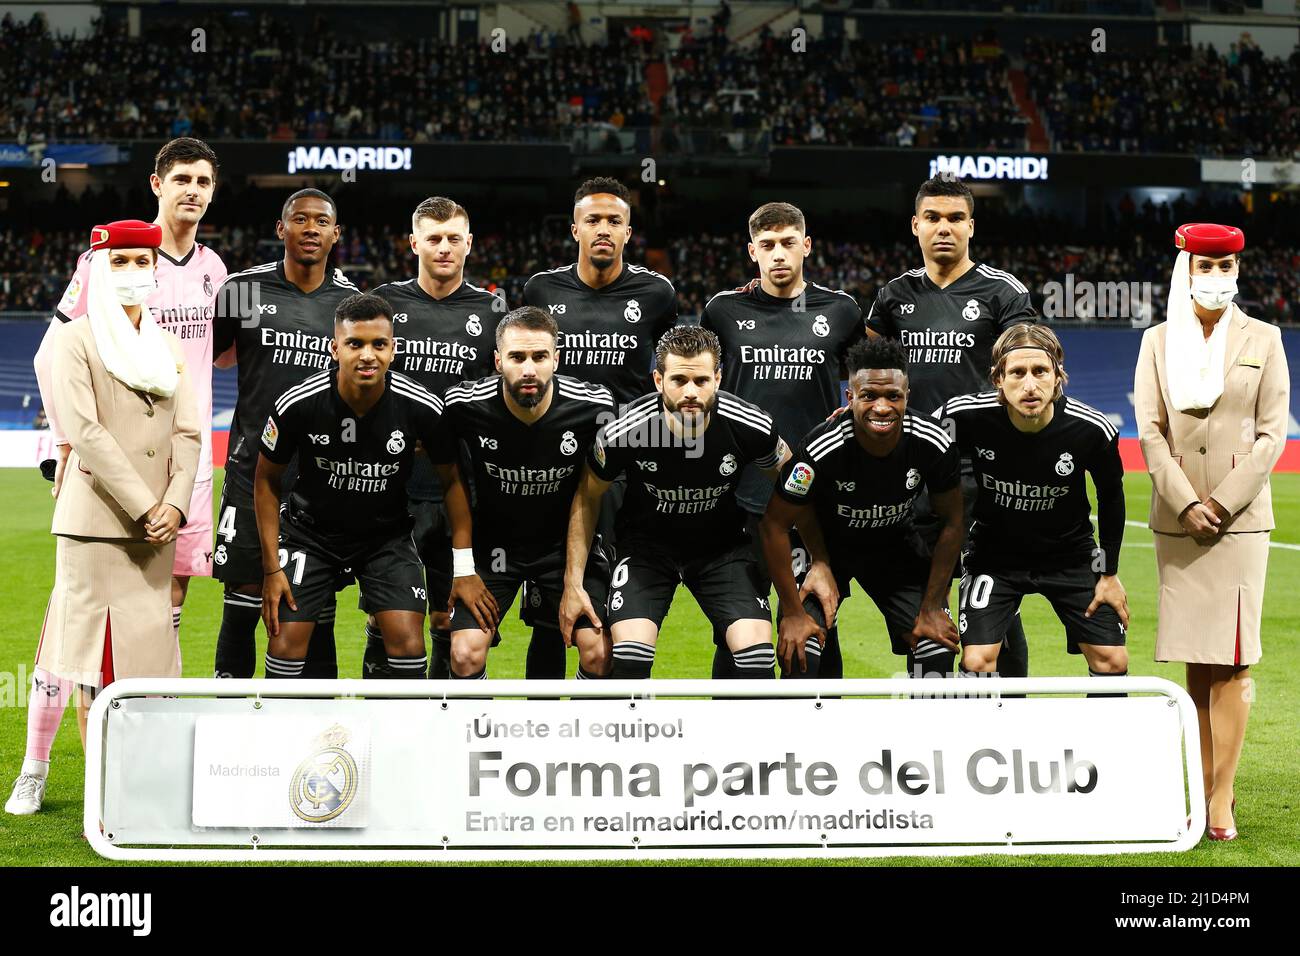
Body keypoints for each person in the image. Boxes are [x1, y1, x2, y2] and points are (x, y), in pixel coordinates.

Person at [16, 139, 224, 812]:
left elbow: (207, 368)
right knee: (72, 631)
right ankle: (37, 764)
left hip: (181, 478)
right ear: (158, 184)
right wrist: (63, 444)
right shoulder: (105, 260)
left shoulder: (214, 269)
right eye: (181, 179)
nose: (192, 190)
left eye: (204, 180)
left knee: (155, 630)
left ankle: (142, 772)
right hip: (107, 480)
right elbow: (55, 353)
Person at [1134, 223, 1289, 842]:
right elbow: (1150, 432)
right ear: (1185, 267)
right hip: (1179, 524)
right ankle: (1198, 788)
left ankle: (1221, 799)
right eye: (1207, 264)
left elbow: (1271, 435)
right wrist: (1184, 502)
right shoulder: (1156, 341)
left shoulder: (1266, 338)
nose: (1218, 276)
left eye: (1228, 266)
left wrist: (1220, 502)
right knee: (1198, 665)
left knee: (1233, 659)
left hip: (1240, 522)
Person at [254, 293, 493, 678]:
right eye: (355, 344)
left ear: (394, 349)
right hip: (309, 535)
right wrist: (270, 569)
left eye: (379, 344)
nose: (368, 355)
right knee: (284, 642)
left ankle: (402, 737)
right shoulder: (298, 403)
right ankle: (288, 736)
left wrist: (463, 567)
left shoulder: (421, 407)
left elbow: (452, 481)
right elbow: (266, 479)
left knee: (408, 643)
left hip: (386, 538)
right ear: (335, 348)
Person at [867, 174, 1038, 679]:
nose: (945, 228)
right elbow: (870, 371)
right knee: (927, 594)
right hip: (914, 470)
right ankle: (934, 707)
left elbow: (1030, 368)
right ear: (916, 225)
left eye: (955, 218)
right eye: (934, 218)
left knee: (993, 597)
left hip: (982, 471)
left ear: (971, 226)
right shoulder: (894, 297)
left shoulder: (1003, 292)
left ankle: (1007, 710)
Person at [559, 326, 790, 679]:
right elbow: (587, 497)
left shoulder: (749, 424)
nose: (690, 393)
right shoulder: (626, 429)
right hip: (646, 550)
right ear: (657, 379)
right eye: (679, 380)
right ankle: (620, 732)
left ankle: (735, 735)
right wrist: (574, 583)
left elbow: (795, 490)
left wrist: (813, 561)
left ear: (718, 378)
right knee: (630, 655)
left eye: (701, 381)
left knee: (756, 656)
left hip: (722, 550)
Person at [700, 201, 864, 678]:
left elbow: (866, 383)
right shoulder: (723, 311)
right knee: (736, 634)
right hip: (740, 497)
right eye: (767, 245)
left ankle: (816, 746)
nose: (778, 254)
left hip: (815, 494)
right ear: (752, 251)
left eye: (788, 243)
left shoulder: (841, 309)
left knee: (818, 625)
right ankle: (735, 746)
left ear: (806, 246)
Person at [523, 177, 678, 678]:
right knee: (550, 617)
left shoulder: (657, 294)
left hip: (626, 472)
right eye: (593, 220)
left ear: (629, 231)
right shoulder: (542, 290)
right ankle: (535, 727)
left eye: (614, 221)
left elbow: (670, 375)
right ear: (575, 229)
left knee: (613, 615)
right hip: (557, 467)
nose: (603, 229)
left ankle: (605, 731)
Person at [211, 189, 359, 680]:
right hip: (252, 469)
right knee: (242, 605)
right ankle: (230, 724)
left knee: (315, 613)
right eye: (300, 219)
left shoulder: (352, 303)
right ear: (281, 229)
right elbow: (211, 357)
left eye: (322, 221)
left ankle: (316, 736)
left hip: (323, 479)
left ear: (336, 234)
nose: (311, 228)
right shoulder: (240, 291)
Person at [934, 324, 1130, 687]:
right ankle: (985, 742)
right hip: (995, 557)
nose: (1029, 385)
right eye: (1017, 373)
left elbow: (1111, 499)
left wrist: (1109, 574)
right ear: (997, 379)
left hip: (1070, 556)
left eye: (1040, 372)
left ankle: (1101, 744)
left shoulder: (1092, 429)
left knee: (1112, 660)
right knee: (977, 662)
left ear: (1058, 377)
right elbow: (917, 448)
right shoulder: (962, 416)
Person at [761, 337, 963, 679]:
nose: (882, 408)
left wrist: (931, 605)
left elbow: (954, 522)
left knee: (936, 646)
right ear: (850, 397)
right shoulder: (819, 447)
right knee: (801, 648)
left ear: (907, 395)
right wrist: (796, 609)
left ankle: (928, 733)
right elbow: (774, 526)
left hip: (895, 547)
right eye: (869, 396)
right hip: (824, 547)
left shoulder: (933, 441)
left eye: (893, 396)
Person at [433, 307, 614, 680]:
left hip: (563, 548)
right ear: (498, 361)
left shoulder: (594, 407)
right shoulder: (462, 406)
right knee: (464, 653)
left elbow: (590, 492)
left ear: (557, 360)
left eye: (539, 357)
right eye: (517, 357)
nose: (529, 368)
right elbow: (449, 480)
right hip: (494, 549)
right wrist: (464, 568)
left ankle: (581, 736)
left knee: (598, 653)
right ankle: (481, 737)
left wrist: (574, 580)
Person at [366, 196, 502, 679]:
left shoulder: (493, 310)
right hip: (392, 483)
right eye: (433, 239)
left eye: (452, 239)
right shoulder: (385, 304)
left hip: (459, 486)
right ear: (413, 243)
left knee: (450, 613)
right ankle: (384, 725)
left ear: (468, 243)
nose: (443, 248)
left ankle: (449, 727)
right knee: (389, 618)